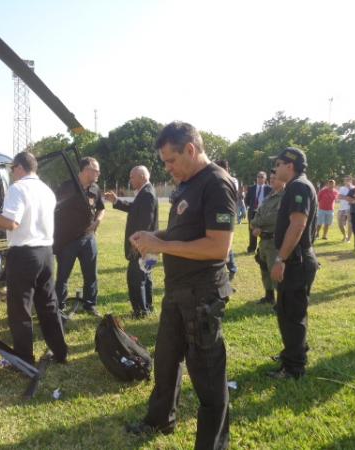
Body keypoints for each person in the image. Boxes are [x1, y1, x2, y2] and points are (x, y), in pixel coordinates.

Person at [126, 122, 236, 449]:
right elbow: (181, 233)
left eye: (171, 161)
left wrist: (161, 246)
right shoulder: (187, 184)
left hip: (202, 295)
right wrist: (152, 237)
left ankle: (213, 444)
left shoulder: (216, 183)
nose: (168, 168)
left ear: (190, 149)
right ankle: (160, 419)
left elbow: (218, 248)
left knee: (207, 376)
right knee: (166, 359)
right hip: (178, 290)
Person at [0, 152, 67, 365]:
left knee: (20, 308)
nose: (12, 174)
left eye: (12, 169)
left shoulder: (18, 188)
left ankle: (23, 360)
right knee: (48, 304)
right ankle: (60, 352)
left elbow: (11, 223)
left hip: (24, 254)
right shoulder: (47, 190)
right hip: (46, 252)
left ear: (19, 167)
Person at [269, 147, 318, 379]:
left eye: (278, 164)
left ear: (290, 165)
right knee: (289, 310)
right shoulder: (298, 185)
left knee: (291, 313)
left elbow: (298, 225)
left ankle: (294, 367)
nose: (275, 168)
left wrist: (281, 258)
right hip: (297, 258)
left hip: (295, 260)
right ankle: (293, 352)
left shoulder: (298, 186)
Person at [104, 166, 159, 318]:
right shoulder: (145, 192)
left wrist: (138, 245)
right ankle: (147, 307)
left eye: (132, 177)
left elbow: (145, 223)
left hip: (142, 247)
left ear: (142, 176)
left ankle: (140, 312)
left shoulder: (147, 194)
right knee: (145, 277)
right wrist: (117, 201)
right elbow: (134, 209)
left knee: (136, 279)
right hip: (147, 246)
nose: (130, 180)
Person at [53, 157, 105, 315]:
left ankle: (90, 305)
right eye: (96, 170)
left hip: (88, 239)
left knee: (91, 274)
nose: (99, 173)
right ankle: (59, 306)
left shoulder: (95, 189)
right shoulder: (66, 187)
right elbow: (52, 207)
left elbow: (102, 208)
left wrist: (97, 221)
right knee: (63, 276)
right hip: (67, 240)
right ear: (85, 170)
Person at [250, 170, 285, 306]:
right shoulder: (269, 195)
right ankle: (269, 296)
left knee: (274, 270)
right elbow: (257, 213)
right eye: (270, 178)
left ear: (282, 180)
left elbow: (275, 217)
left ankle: (282, 301)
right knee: (264, 268)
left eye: (275, 178)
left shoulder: (284, 197)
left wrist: (258, 225)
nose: (271, 180)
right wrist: (254, 224)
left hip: (274, 241)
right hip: (263, 241)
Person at [245, 172, 272, 253]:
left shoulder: (269, 189)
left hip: (264, 212)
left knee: (264, 229)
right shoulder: (251, 188)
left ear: (265, 179)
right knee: (251, 229)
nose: (259, 178)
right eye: (258, 177)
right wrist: (253, 207)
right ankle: (252, 248)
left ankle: (263, 248)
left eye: (261, 177)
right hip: (253, 211)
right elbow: (247, 200)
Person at [337, 175, 354, 242]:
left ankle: (348, 239)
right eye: (345, 180)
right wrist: (348, 198)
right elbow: (339, 197)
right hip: (342, 208)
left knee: (350, 223)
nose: (346, 181)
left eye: (347, 179)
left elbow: (354, 199)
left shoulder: (354, 188)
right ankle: (345, 235)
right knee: (340, 223)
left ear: (350, 180)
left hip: (350, 208)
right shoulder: (342, 188)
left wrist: (345, 197)